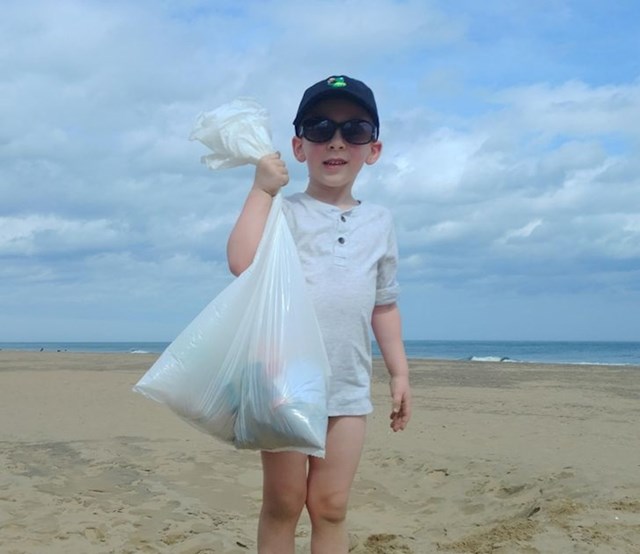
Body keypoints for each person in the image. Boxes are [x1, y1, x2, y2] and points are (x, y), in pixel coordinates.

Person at [227, 75, 411, 554]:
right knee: (284, 502)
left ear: (373, 148)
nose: (336, 139)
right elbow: (242, 263)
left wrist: (399, 373)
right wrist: (261, 191)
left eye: (355, 130)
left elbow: (384, 303)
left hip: (348, 387)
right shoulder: (284, 212)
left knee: (331, 505)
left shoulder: (380, 222)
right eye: (320, 126)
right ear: (298, 145)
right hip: (282, 379)